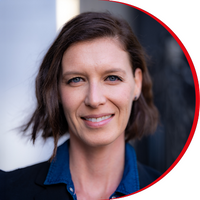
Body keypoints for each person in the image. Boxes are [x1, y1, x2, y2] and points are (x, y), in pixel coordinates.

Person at [0, 12, 160, 200]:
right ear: (57, 91)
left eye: (112, 78)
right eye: (76, 80)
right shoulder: (7, 191)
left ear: (137, 83)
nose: (94, 99)